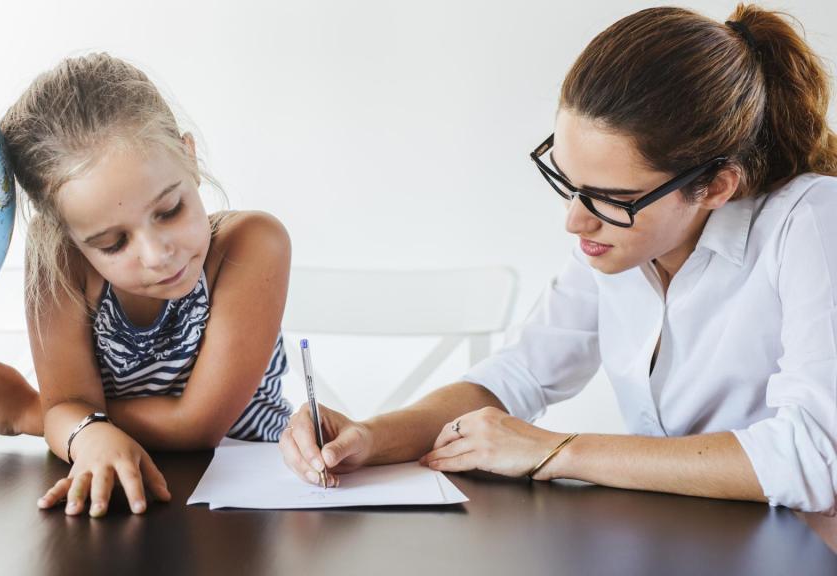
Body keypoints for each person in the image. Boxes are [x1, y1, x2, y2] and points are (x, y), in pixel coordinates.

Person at [280, 4, 837, 513]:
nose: (575, 220)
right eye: (569, 183)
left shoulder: (810, 221)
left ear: (716, 186)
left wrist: (556, 451)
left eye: (612, 198)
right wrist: (373, 436)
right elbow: (519, 375)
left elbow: (816, 458)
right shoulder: (621, 242)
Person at [0, 53, 293, 517]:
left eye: (170, 210)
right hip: (131, 499)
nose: (158, 255)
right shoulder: (59, 265)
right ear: (70, 240)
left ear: (189, 157)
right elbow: (73, 405)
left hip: (262, 492)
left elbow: (198, 427)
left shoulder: (253, 245)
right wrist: (77, 421)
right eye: (113, 243)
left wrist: (39, 415)